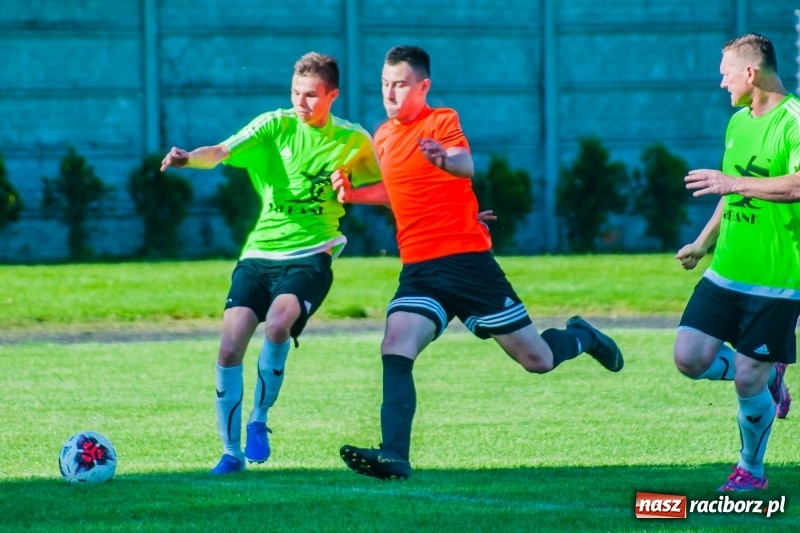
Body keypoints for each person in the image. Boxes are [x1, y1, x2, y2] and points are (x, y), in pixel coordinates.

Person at [332, 44, 624, 481]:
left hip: (468, 264)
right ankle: (393, 456)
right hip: (420, 270)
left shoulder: (440, 121)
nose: (390, 93)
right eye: (385, 84)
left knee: (538, 360)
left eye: (401, 85)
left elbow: (465, 164)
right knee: (395, 345)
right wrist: (354, 194)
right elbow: (399, 191)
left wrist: (444, 159)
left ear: (423, 86)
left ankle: (582, 336)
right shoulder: (384, 136)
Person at [160, 52, 387, 475]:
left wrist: (357, 191)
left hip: (311, 255)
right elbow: (220, 151)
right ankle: (231, 454)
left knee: (279, 323)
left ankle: (259, 419)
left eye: (312, 95)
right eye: (296, 93)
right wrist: (188, 158)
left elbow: (394, 189)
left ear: (332, 96)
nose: (301, 102)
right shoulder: (273, 126)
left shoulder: (355, 141)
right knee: (229, 348)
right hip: (259, 255)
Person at [674, 33, 798, 492]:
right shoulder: (737, 123)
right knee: (689, 358)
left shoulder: (794, 121)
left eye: (726, 73)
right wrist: (702, 243)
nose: (721, 82)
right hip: (726, 271)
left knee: (747, 379)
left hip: (777, 279)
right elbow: (731, 192)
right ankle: (768, 374)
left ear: (750, 72)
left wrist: (733, 183)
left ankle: (752, 471)